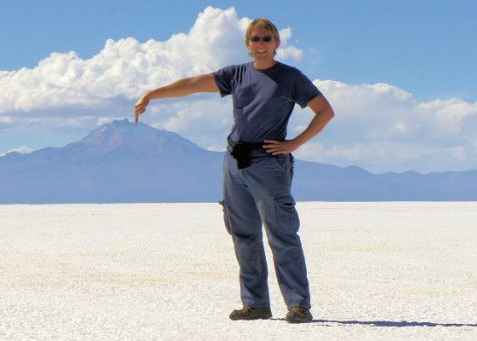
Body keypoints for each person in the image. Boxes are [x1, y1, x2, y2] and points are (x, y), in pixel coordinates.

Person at [133, 18, 335, 324]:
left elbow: (325, 111)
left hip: (268, 162)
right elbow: (191, 85)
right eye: (255, 39)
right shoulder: (237, 74)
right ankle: (255, 304)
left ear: (277, 43)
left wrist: (294, 143)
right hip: (234, 161)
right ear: (248, 43)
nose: (261, 44)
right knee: (243, 234)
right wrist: (151, 94)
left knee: (281, 233)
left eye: (267, 38)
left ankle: (298, 306)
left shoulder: (291, 78)